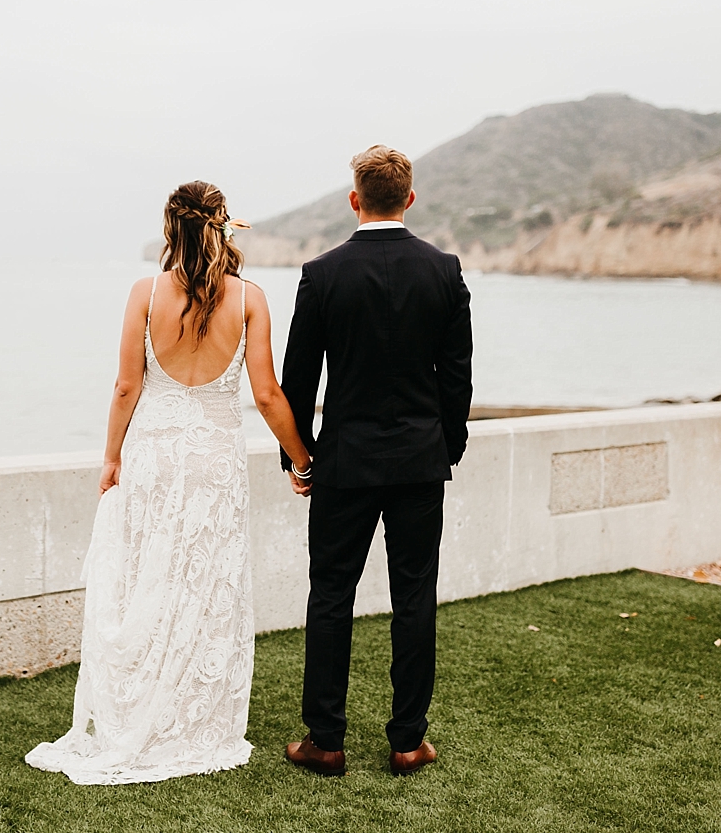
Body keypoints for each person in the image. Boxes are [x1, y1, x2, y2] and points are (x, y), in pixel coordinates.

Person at [25, 180, 314, 785]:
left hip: (152, 454)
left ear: (169, 230)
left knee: (145, 581)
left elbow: (127, 386)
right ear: (223, 227)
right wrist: (301, 460)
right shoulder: (250, 298)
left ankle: (139, 716)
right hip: (214, 460)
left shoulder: (145, 292)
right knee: (205, 584)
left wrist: (110, 458)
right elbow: (266, 393)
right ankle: (194, 720)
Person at [279, 145, 473, 777]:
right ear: (409, 199)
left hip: (345, 461)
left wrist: (299, 457)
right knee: (415, 596)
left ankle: (325, 741)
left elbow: (298, 380)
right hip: (420, 461)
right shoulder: (444, 270)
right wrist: (447, 446)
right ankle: (408, 741)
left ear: (355, 199)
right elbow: (457, 379)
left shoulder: (321, 274)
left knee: (331, 595)